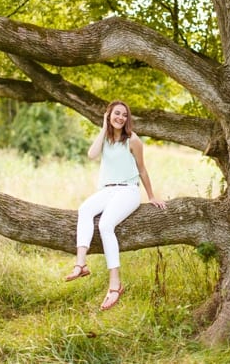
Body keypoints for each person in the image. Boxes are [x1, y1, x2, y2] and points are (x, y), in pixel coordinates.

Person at [64, 100, 167, 310]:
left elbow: (142, 169)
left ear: (128, 119)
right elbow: (91, 154)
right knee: (84, 210)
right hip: (107, 190)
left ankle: (115, 285)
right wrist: (103, 127)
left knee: (105, 225)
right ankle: (80, 264)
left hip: (128, 191)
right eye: (116, 113)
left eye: (124, 115)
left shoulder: (133, 140)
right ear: (109, 115)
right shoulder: (106, 139)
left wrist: (151, 196)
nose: (120, 117)